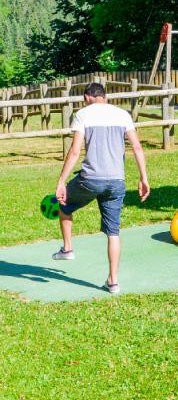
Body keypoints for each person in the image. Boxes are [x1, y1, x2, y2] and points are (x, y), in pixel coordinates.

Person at [52, 82, 150, 294]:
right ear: (104, 96)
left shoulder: (83, 114)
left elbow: (75, 151)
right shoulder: (122, 114)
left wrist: (62, 181)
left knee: (64, 204)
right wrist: (144, 178)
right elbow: (138, 147)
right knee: (113, 232)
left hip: (91, 179)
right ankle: (113, 282)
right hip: (117, 182)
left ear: (87, 97)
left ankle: (68, 248)